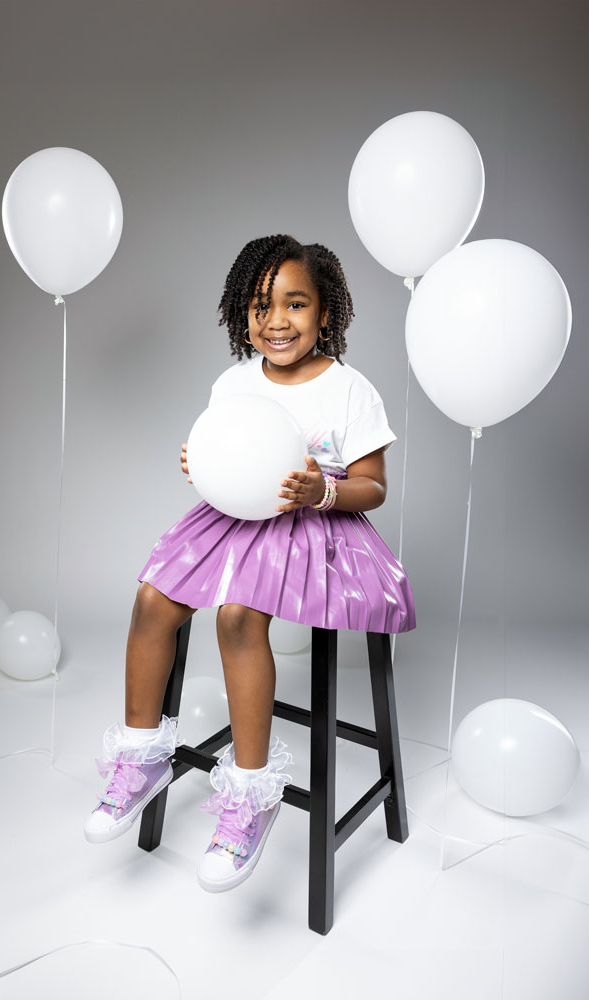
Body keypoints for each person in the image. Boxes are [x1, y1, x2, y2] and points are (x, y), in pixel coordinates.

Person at [84, 234, 415, 893]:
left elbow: (374, 487)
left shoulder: (348, 390)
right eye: (260, 306)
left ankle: (250, 795)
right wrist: (201, 463)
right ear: (242, 314)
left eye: (295, 304)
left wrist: (324, 489)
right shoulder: (233, 382)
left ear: (326, 314)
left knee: (237, 617)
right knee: (153, 598)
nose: (276, 320)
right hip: (233, 523)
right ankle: (141, 756)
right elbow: (227, 454)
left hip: (315, 527)